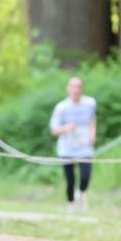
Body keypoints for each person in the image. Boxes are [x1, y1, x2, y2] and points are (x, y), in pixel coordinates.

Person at [49, 76, 97, 211]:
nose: (75, 90)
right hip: (67, 148)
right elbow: (53, 130)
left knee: (85, 176)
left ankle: (81, 194)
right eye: (73, 86)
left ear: (82, 89)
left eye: (78, 87)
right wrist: (66, 127)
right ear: (68, 88)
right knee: (70, 179)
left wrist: (93, 134)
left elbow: (92, 120)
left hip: (85, 148)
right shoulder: (61, 107)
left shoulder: (90, 103)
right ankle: (71, 203)